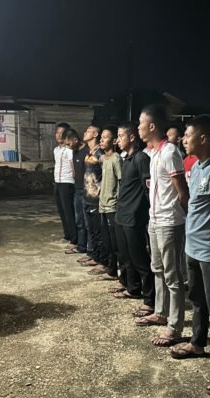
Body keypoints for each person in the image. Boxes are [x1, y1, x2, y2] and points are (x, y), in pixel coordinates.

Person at [169, 115, 210, 397]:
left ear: (204, 139)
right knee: (197, 299)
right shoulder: (196, 167)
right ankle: (198, 343)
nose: (184, 140)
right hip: (192, 247)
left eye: (188, 135)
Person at [136, 104, 189, 347]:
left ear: (152, 126)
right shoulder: (154, 154)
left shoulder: (169, 152)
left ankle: (175, 326)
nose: (138, 128)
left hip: (169, 221)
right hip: (155, 219)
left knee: (172, 275)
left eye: (141, 123)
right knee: (157, 269)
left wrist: (185, 217)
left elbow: (182, 191)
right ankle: (160, 312)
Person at [113, 122, 155, 317]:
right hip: (122, 215)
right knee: (126, 256)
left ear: (131, 137)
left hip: (134, 216)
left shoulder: (141, 158)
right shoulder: (127, 159)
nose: (118, 140)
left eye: (121, 135)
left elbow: (147, 189)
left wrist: (144, 213)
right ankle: (133, 288)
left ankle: (150, 300)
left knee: (140, 259)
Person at [98, 125, 124, 283]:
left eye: (105, 137)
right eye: (101, 137)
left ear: (114, 141)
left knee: (115, 243)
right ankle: (111, 268)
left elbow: (121, 181)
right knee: (107, 240)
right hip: (103, 204)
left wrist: (118, 201)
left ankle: (117, 271)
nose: (101, 140)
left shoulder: (116, 158)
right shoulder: (103, 158)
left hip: (112, 205)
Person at [81, 124, 108, 274]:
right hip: (87, 196)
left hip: (96, 199)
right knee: (90, 230)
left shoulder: (100, 153)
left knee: (99, 232)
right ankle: (94, 256)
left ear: (96, 134)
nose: (85, 133)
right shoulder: (89, 152)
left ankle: (103, 261)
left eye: (88, 131)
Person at [65, 129, 89, 255]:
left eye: (69, 144)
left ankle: (90, 249)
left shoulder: (87, 151)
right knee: (79, 220)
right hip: (77, 189)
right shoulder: (74, 151)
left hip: (87, 191)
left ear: (75, 139)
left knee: (87, 221)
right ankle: (81, 246)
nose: (68, 147)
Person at [53, 123, 77, 248]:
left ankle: (74, 239)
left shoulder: (69, 150)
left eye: (62, 133)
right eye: (57, 132)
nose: (59, 135)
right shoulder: (56, 150)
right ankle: (67, 235)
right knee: (61, 211)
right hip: (58, 182)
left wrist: (75, 181)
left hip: (67, 183)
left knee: (69, 211)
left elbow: (73, 167)